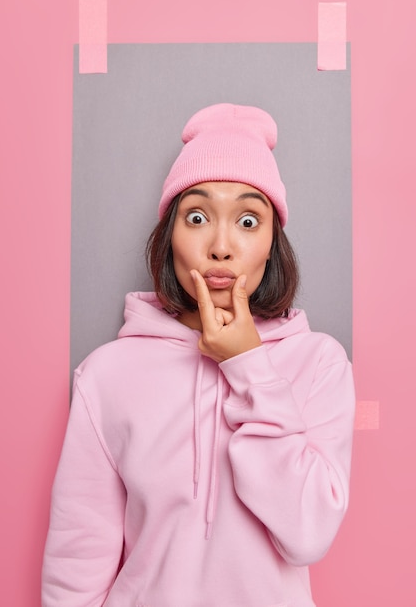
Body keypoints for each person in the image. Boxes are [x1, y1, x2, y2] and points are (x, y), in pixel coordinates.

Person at [42, 103, 355, 607]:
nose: (222, 246)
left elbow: (308, 533)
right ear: (170, 240)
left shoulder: (320, 363)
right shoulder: (107, 375)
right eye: (197, 217)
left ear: (273, 243)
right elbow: (77, 559)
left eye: (249, 220)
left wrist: (248, 364)